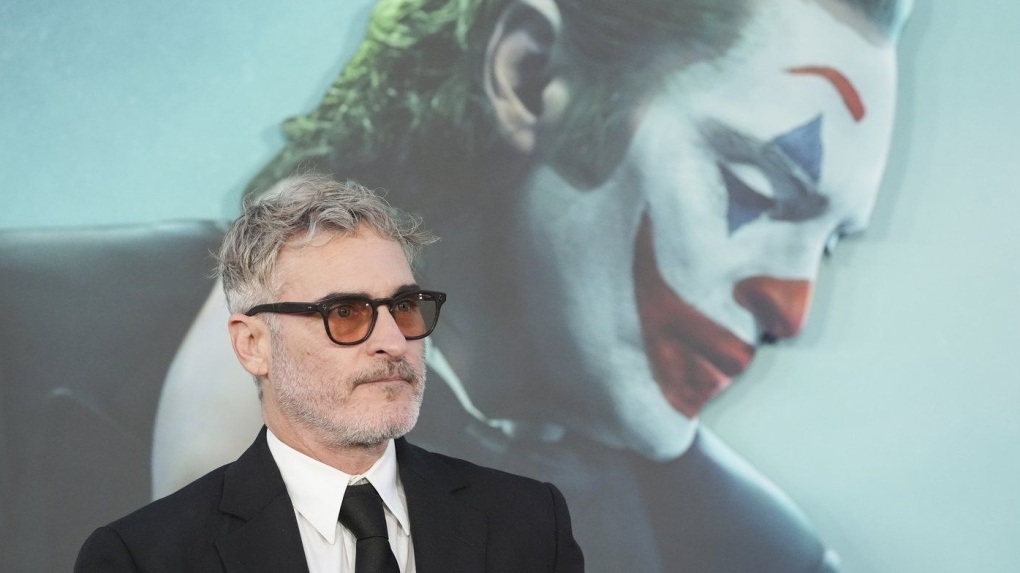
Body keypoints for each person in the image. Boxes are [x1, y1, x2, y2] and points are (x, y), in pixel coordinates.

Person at [153, 0, 914, 571]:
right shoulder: (69, 355)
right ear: (529, 76)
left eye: (830, 242)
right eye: (754, 188)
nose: (793, 305)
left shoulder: (757, 548)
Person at [76, 175, 585, 572]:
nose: (393, 340)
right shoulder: (143, 558)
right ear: (252, 345)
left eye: (404, 306)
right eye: (345, 312)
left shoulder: (530, 523)